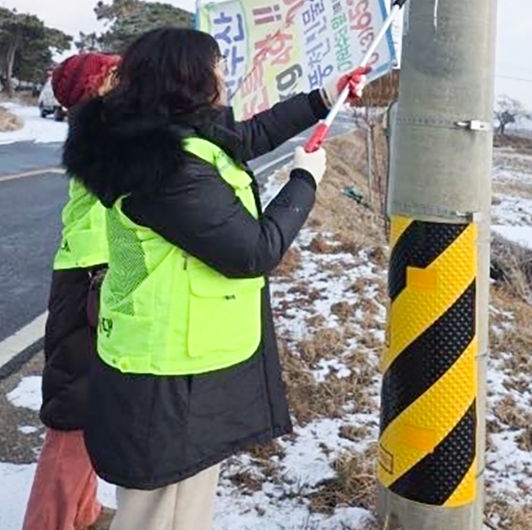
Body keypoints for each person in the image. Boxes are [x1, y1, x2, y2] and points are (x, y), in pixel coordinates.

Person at [62, 27, 369, 530]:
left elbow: (245, 138)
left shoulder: (154, 137)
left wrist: (322, 97)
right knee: (166, 514)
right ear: (187, 79)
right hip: (168, 375)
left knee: (168, 506)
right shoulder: (166, 169)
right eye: (218, 69)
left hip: (170, 357)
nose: (225, 79)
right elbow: (253, 251)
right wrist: (304, 181)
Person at [23, 53, 121, 530]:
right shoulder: (104, 132)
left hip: (92, 273)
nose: (127, 81)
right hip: (89, 276)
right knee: (74, 412)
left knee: (92, 406)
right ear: (95, 89)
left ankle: (83, 511)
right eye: (115, 75)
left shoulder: (102, 128)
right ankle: (49, 521)